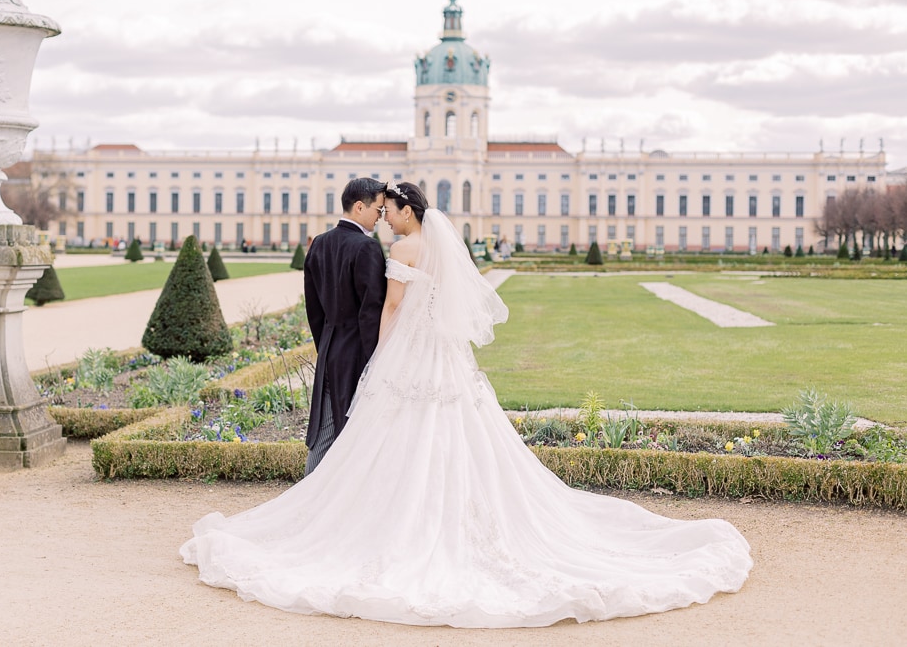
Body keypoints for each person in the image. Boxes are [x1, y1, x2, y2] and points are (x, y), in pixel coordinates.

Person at [180, 180, 752, 628]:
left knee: (387, 437)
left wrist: (379, 355)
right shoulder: (436, 245)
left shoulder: (402, 246)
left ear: (404, 211)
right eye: (379, 208)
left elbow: (392, 310)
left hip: (408, 357)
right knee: (464, 435)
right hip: (446, 359)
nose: (385, 216)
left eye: (390, 208)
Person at [300, 177, 387, 474]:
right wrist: (376, 358)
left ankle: (311, 502)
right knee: (348, 432)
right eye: (378, 209)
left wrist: (326, 344)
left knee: (326, 430)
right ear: (359, 206)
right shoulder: (367, 248)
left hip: (330, 349)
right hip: (358, 353)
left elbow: (313, 309)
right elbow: (370, 312)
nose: (380, 216)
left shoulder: (319, 243)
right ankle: (310, 504)